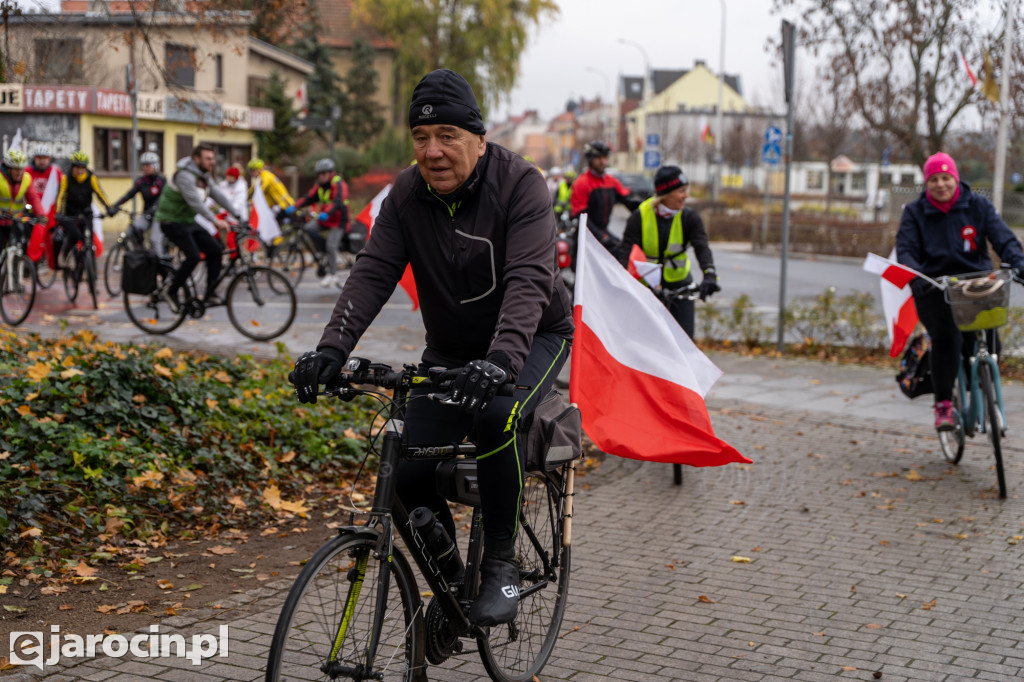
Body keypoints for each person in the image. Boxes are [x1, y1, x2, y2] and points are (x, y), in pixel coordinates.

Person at [290, 68, 574, 627]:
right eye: (420, 138)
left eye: (448, 136)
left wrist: (501, 361)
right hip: (450, 351)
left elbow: (528, 280)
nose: (433, 151)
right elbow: (373, 271)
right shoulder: (406, 194)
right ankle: (451, 588)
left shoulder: (521, 185)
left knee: (496, 414)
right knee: (406, 468)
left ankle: (500, 563)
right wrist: (331, 350)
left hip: (532, 336)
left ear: (480, 140)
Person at [896, 151, 1024, 431]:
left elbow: (1003, 238)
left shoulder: (978, 205)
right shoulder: (915, 213)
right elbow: (906, 249)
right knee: (947, 340)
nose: (941, 184)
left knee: (991, 343)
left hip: (976, 284)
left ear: (955, 178)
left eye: (946, 178)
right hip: (934, 287)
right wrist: (915, 275)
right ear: (926, 183)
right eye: (934, 179)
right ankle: (943, 404)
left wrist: (1018, 262)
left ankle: (982, 389)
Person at [615, 165, 719, 339]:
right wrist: (621, 280)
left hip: (679, 284)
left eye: (686, 190)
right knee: (643, 342)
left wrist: (710, 274)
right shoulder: (640, 215)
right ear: (665, 194)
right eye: (681, 191)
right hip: (647, 287)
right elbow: (625, 250)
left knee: (685, 342)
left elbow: (702, 248)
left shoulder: (689, 218)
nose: (686, 196)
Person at [153, 143, 244, 310]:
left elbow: (218, 195)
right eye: (208, 158)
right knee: (194, 256)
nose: (212, 162)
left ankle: (210, 293)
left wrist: (238, 216)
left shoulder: (203, 175)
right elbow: (195, 202)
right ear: (196, 159)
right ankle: (171, 291)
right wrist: (215, 220)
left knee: (216, 250)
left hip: (187, 221)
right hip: (170, 221)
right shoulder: (184, 176)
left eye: (213, 158)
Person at [291, 157, 350, 288]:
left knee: (331, 246)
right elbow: (309, 197)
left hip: (339, 220)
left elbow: (337, 201)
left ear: (331, 173)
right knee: (308, 228)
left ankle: (333, 275)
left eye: (323, 173)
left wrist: (327, 213)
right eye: (319, 174)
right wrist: (295, 206)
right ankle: (321, 250)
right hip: (326, 219)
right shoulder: (320, 186)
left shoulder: (339, 184)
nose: (321, 176)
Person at [569, 140, 638, 251]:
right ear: (590, 159)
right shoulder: (581, 183)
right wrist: (602, 237)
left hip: (603, 231)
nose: (603, 161)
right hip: (585, 236)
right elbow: (581, 216)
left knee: (624, 251)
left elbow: (628, 202)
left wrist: (649, 204)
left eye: (605, 157)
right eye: (598, 158)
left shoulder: (611, 181)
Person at [55, 151, 112, 268]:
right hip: (70, 214)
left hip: (86, 213)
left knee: (88, 239)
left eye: (82, 168)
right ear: (72, 167)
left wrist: (109, 208)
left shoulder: (91, 178)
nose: (80, 170)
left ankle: (86, 265)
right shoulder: (66, 178)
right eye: (77, 167)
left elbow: (100, 194)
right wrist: (59, 213)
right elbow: (60, 196)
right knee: (74, 235)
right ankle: (64, 254)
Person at [108, 151, 166, 251]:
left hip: (159, 215)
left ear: (155, 166)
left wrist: (154, 208)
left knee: (154, 240)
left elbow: (163, 198)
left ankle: (159, 259)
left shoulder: (161, 180)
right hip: (146, 214)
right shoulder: (141, 181)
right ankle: (141, 252)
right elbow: (128, 195)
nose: (146, 168)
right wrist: (115, 206)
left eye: (148, 165)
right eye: (144, 165)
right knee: (131, 231)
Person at [0, 149, 43, 250]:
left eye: (22, 169)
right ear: (8, 169)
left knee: (22, 245)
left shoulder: (26, 178)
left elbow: (33, 198)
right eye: (16, 169)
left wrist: (41, 215)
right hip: (1, 220)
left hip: (15, 220)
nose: (20, 173)